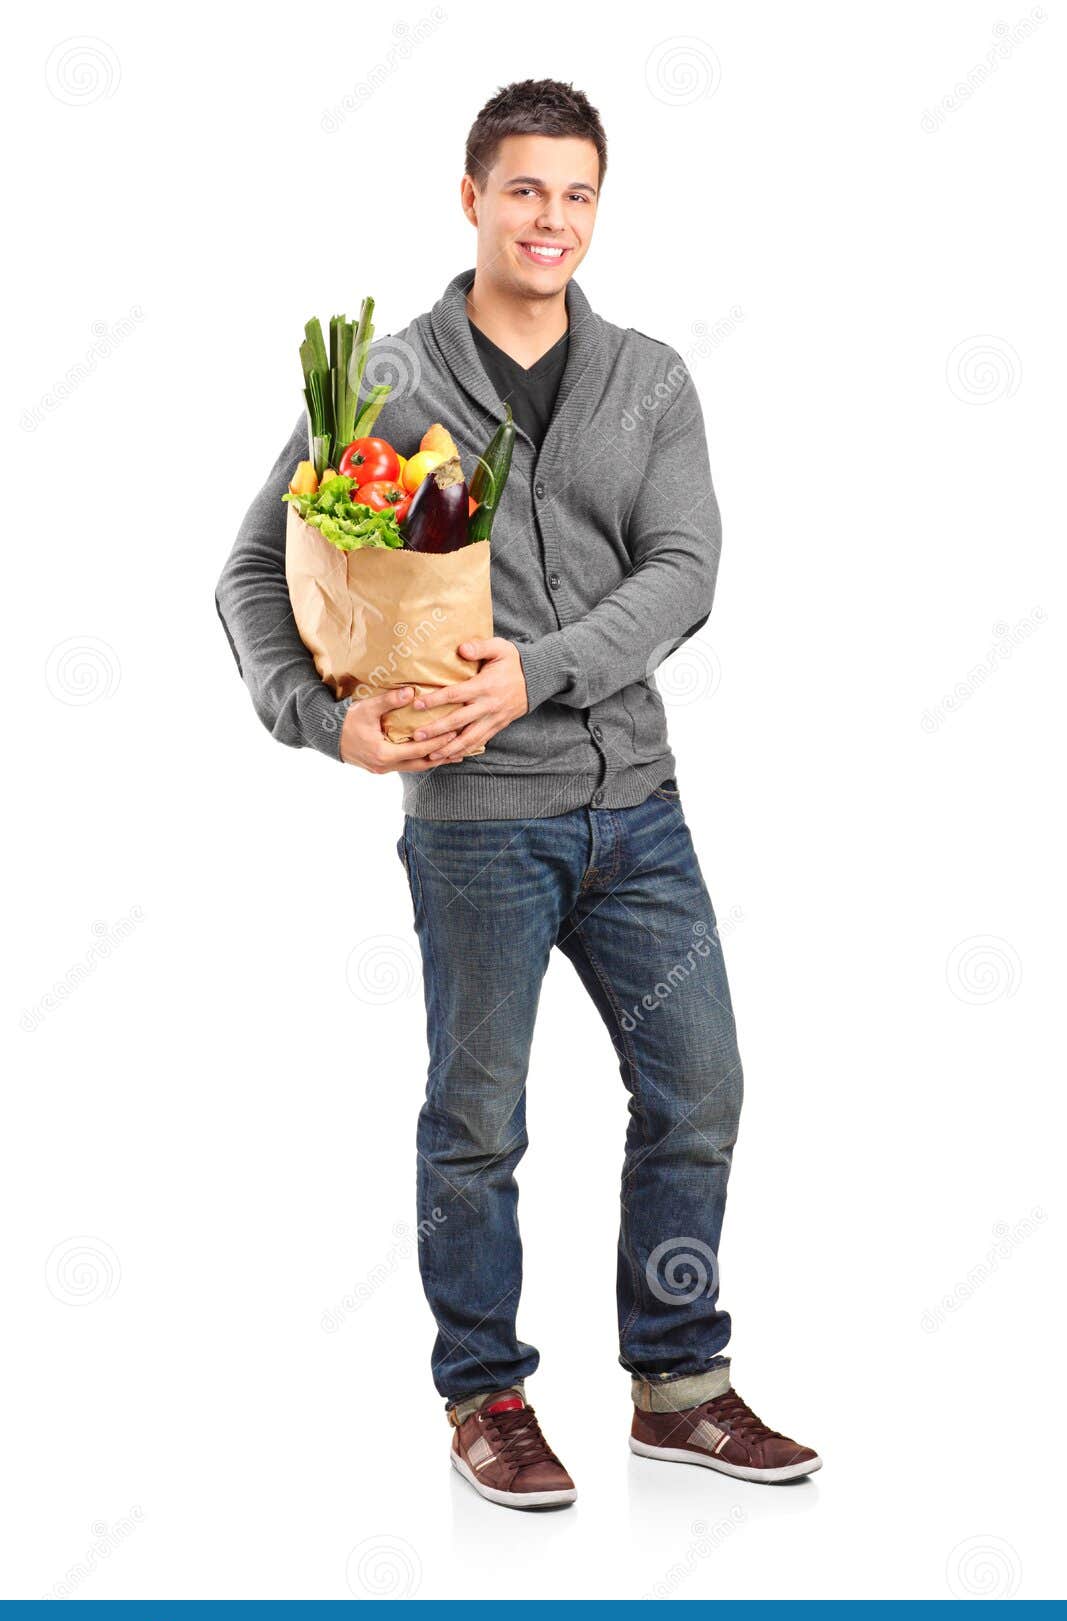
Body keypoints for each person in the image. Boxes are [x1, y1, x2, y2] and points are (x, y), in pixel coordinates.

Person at [216, 77, 821, 1511]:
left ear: (597, 209)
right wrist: (319, 720)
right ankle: (485, 1393)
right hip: (479, 829)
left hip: (641, 814)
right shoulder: (380, 381)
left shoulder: (652, 379)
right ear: (472, 195)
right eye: (526, 189)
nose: (552, 218)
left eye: (578, 194)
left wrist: (534, 671)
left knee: (700, 1086)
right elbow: (253, 572)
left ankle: (679, 1386)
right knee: (476, 1119)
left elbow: (687, 572)